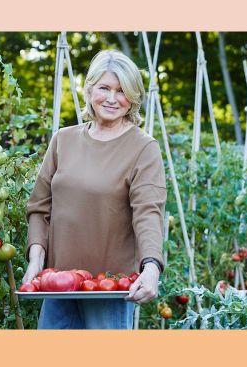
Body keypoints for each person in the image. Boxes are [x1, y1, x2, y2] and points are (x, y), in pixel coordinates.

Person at [21, 50, 166, 329]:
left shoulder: (143, 148)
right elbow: (39, 207)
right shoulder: (63, 140)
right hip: (57, 283)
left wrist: (151, 267)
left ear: (133, 97)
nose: (112, 98)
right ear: (89, 90)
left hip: (107, 287)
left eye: (123, 91)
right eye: (105, 88)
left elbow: (148, 212)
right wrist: (36, 260)